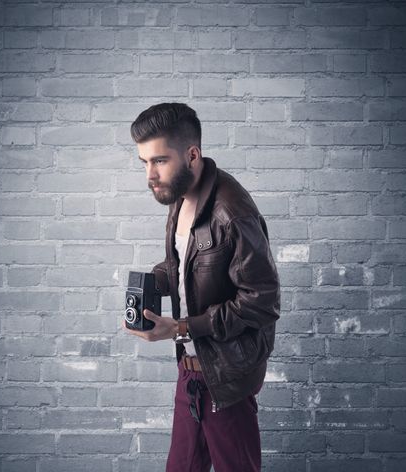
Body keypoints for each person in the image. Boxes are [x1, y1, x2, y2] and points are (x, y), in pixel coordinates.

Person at [123, 102, 280, 472]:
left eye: (159, 160)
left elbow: (262, 302)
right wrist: (150, 283)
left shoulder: (233, 211)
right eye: (144, 162)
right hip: (191, 371)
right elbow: (185, 264)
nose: (150, 174)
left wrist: (179, 328)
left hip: (226, 379)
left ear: (192, 155)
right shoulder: (180, 197)